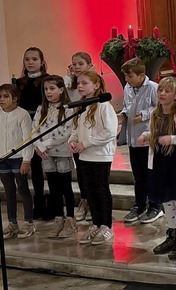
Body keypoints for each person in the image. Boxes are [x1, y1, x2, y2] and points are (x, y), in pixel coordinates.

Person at [138, 76, 176, 260]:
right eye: (160, 90)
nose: (162, 94)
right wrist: (147, 135)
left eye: (167, 91)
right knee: (166, 200)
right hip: (159, 161)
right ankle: (171, 235)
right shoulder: (156, 114)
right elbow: (157, 133)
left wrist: (174, 137)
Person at [69, 71, 118, 245]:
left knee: (101, 189)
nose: (80, 86)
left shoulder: (104, 105)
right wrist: (73, 140)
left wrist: (86, 142)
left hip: (100, 155)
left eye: (84, 83)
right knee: (89, 191)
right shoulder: (82, 106)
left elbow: (110, 131)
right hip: (85, 156)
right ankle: (96, 224)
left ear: (96, 85)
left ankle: (106, 226)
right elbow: (76, 128)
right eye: (78, 83)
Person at [0, 84, 35, 239]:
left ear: (15, 99)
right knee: (8, 191)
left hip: (18, 158)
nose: (2, 100)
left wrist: (26, 160)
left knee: (23, 189)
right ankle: (12, 223)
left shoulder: (22, 115)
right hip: (2, 159)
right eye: (0, 96)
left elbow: (28, 138)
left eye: (6, 96)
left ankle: (29, 223)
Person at [118, 57, 162, 224]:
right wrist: (123, 115)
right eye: (126, 77)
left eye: (130, 76)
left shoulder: (153, 88)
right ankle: (139, 204)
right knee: (138, 176)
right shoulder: (128, 87)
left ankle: (155, 206)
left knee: (151, 174)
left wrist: (143, 114)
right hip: (132, 138)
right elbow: (126, 106)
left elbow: (159, 108)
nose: (127, 80)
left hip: (147, 136)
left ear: (141, 74)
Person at [34, 75, 77, 239]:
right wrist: (37, 144)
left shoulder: (68, 109)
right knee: (53, 188)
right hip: (46, 155)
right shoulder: (41, 109)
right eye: (46, 89)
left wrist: (45, 144)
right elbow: (35, 128)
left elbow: (66, 132)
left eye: (52, 88)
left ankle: (70, 220)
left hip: (62, 152)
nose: (48, 92)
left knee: (65, 187)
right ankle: (58, 218)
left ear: (61, 89)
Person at [17, 47, 50, 221]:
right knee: (35, 168)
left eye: (34, 59)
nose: (30, 62)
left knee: (47, 166)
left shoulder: (47, 81)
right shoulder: (19, 83)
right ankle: (38, 203)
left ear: (42, 62)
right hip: (25, 128)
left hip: (43, 127)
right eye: (27, 59)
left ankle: (51, 204)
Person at [63, 52, 95, 222]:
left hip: (90, 135)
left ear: (90, 65)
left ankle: (92, 202)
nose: (76, 67)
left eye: (80, 64)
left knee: (91, 173)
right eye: (73, 64)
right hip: (75, 131)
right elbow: (67, 104)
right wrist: (68, 82)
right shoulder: (70, 85)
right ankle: (84, 200)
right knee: (81, 171)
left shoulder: (93, 84)